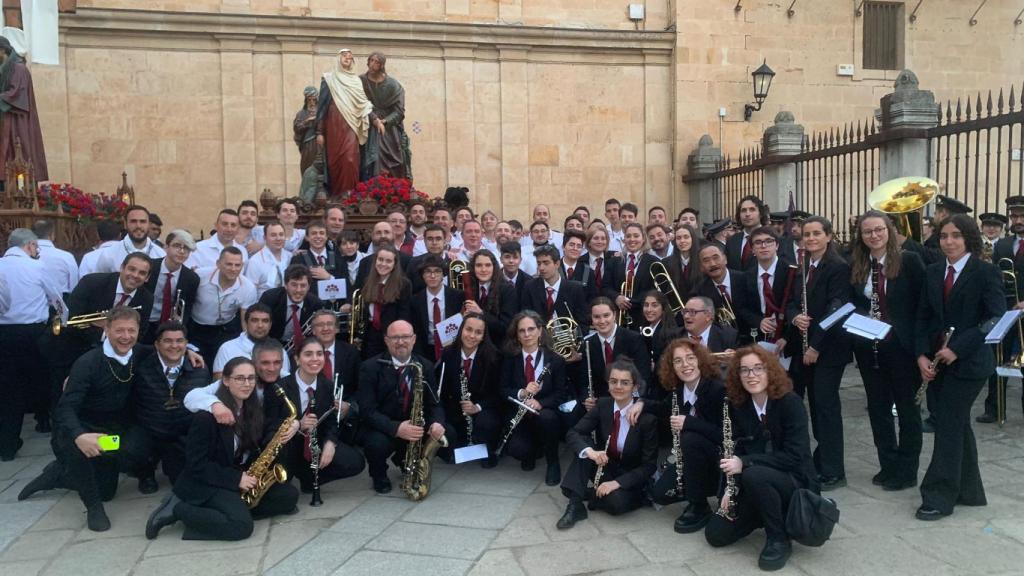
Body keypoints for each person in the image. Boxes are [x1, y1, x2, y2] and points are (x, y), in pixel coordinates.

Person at [19, 308, 155, 531]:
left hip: (109, 434)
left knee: (109, 488)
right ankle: (93, 507)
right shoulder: (87, 363)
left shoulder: (139, 353)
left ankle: (60, 475)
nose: (126, 336)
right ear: (107, 329)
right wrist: (79, 435)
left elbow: (166, 349)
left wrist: (189, 351)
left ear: (139, 331)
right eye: (119, 330)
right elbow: (65, 409)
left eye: (132, 330)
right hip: (80, 428)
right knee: (79, 453)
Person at [145, 357, 299, 541]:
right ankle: (178, 509)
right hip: (208, 481)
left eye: (251, 378)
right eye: (240, 378)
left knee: (289, 497)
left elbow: (269, 427)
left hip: (236, 475)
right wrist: (236, 479)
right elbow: (197, 465)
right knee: (241, 527)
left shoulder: (252, 408)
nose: (247, 384)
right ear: (225, 381)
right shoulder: (206, 417)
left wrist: (294, 424)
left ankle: (222, 513)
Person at [913, 214, 1003, 521]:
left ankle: (939, 495)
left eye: (956, 236)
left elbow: (994, 317)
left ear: (968, 238)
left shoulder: (985, 272)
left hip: (970, 363)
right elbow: (923, 317)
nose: (949, 242)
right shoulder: (934, 271)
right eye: (943, 236)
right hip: (938, 362)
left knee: (948, 424)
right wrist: (921, 356)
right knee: (957, 424)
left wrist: (957, 348)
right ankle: (970, 490)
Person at [704, 346, 820, 571]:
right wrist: (730, 488)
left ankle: (778, 537)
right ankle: (765, 512)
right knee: (716, 534)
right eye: (745, 370)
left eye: (758, 368)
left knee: (756, 474)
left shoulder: (790, 403)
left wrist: (745, 464)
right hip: (755, 481)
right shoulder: (739, 405)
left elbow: (794, 457)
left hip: (795, 482)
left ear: (771, 371)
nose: (751, 375)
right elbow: (738, 449)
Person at [849, 210, 925, 491]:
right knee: (878, 409)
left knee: (907, 410)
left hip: (902, 348)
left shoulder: (910, 261)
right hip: (870, 348)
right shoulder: (858, 264)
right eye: (867, 231)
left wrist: (919, 347)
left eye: (879, 229)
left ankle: (907, 470)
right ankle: (888, 464)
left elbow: (921, 306)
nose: (874, 235)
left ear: (889, 231)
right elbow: (854, 302)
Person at [787, 216, 852, 490]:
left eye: (816, 234)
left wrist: (815, 345)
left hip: (827, 349)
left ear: (828, 236)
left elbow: (836, 310)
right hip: (804, 347)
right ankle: (820, 458)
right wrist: (794, 318)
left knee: (825, 408)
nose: (811, 238)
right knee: (813, 405)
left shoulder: (837, 267)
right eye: (807, 234)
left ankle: (834, 470)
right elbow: (791, 302)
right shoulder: (804, 266)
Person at [557, 359, 657, 529]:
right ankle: (575, 506)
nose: (618, 386)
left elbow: (649, 467)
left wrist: (615, 484)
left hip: (631, 475)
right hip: (607, 465)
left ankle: (589, 494)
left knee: (616, 504)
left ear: (635, 387)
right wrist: (592, 453)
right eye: (613, 381)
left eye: (625, 383)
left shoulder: (647, 419)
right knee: (585, 444)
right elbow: (573, 433)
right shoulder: (603, 404)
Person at [265, 338, 365, 494]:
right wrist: (298, 424)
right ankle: (294, 474)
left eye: (319, 354)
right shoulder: (279, 387)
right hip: (288, 446)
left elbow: (332, 421)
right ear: (297, 359)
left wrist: (331, 443)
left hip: (313, 443)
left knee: (355, 462)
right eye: (308, 354)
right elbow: (269, 424)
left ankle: (310, 478)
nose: (315, 359)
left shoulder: (327, 386)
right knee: (284, 488)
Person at [646, 338, 726, 533]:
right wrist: (639, 403)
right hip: (693, 459)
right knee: (659, 494)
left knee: (689, 438)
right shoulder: (679, 391)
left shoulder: (717, 389)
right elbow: (662, 408)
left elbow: (725, 436)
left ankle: (698, 504)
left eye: (690, 358)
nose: (685, 365)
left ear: (700, 360)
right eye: (678, 361)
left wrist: (689, 423)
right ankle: (698, 488)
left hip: (720, 459)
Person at [357, 320, 446, 493]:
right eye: (395, 337)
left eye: (405, 337)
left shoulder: (425, 365)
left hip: (414, 422)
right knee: (376, 444)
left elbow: (434, 402)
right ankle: (379, 475)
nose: (400, 342)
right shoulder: (370, 367)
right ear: (386, 340)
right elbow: (367, 411)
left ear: (413, 339)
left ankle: (406, 459)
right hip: (384, 426)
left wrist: (437, 422)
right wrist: (396, 428)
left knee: (447, 431)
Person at [123, 321, 210, 494]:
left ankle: (172, 463)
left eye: (179, 341)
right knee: (126, 448)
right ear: (157, 344)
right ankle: (145, 472)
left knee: (182, 481)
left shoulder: (200, 369)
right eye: (168, 341)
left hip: (180, 433)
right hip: (150, 429)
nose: (174, 346)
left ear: (186, 344)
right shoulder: (140, 367)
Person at [0, 229, 62, 459]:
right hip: (34, 332)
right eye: (36, 247)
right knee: (42, 378)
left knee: (8, 388)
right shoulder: (37, 267)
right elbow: (56, 298)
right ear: (29, 245)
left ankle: (7, 444)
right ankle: (44, 421)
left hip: (3, 334)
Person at [501, 311, 568, 486]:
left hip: (545, 414)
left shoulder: (555, 360)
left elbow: (561, 394)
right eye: (522, 330)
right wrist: (522, 393)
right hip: (520, 414)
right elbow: (502, 389)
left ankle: (553, 461)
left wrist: (540, 403)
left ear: (540, 331)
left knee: (547, 418)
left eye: (531, 329)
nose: (527, 334)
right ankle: (531, 451)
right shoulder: (510, 359)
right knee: (517, 449)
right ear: (517, 334)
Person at [437, 313, 502, 466]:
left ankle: (487, 446)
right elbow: (443, 390)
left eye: (478, 332)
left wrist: (477, 407)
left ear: (484, 336)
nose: (472, 336)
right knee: (448, 439)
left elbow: (498, 393)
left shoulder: (493, 357)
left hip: (484, 408)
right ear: (461, 330)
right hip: (457, 407)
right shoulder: (448, 353)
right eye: (468, 330)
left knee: (486, 424)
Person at [317, 48, 372, 198]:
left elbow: (363, 103)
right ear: (338, 59)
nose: (348, 59)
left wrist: (375, 119)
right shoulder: (328, 79)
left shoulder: (356, 81)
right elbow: (321, 107)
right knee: (334, 160)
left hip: (352, 125)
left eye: (350, 57)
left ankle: (349, 195)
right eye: (344, 56)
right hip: (334, 124)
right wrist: (319, 132)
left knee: (350, 158)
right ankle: (336, 195)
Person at [190, 247, 258, 368]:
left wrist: (247, 347)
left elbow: (245, 321)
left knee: (223, 367)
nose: (233, 269)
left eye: (237, 265)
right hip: (196, 328)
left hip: (225, 330)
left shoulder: (248, 288)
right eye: (229, 264)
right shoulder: (199, 276)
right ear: (218, 264)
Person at [739, 226, 795, 349]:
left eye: (769, 241)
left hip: (786, 339)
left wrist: (786, 337)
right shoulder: (746, 276)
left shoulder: (791, 272)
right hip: (758, 338)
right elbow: (742, 308)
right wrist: (759, 321)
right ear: (752, 249)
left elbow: (796, 306)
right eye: (758, 242)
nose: (763, 246)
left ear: (777, 246)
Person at [0, 35, 47, 180]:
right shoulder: (5, 68)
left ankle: (19, 193)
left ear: (2, 50)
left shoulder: (19, 68)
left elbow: (15, 94)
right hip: (5, 119)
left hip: (15, 119)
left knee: (17, 153)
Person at [142, 230, 200, 343]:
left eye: (186, 248)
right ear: (166, 246)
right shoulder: (149, 267)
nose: (182, 251)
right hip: (144, 322)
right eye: (177, 246)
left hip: (169, 329)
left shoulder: (192, 278)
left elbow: (186, 309)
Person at [361, 51, 411, 179]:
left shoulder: (393, 85)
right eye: (371, 60)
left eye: (377, 62)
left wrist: (385, 121)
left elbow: (399, 111)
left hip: (389, 125)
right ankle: (371, 185)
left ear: (382, 65)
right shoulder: (360, 81)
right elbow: (358, 103)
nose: (372, 65)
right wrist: (374, 119)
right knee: (374, 154)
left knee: (397, 158)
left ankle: (392, 187)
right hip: (367, 121)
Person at [359, 245, 413, 359]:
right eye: (380, 259)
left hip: (393, 336)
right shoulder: (367, 281)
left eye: (388, 261)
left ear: (394, 264)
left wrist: (396, 337)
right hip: (370, 335)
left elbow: (404, 315)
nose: (383, 264)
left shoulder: (403, 285)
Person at [211, 303, 292, 379]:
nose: (260, 325)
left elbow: (284, 382)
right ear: (246, 323)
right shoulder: (227, 348)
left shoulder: (279, 351)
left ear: (270, 325)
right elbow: (219, 381)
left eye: (265, 321)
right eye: (255, 320)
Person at [410, 255, 464, 361]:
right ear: (422, 275)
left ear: (443, 274)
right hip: (425, 351)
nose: (433, 275)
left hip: (452, 349)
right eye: (428, 271)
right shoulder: (415, 301)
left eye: (437, 271)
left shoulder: (457, 296)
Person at [463, 249, 517, 349]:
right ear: (473, 268)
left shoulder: (507, 290)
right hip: (472, 347)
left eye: (488, 265)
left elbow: (506, 327)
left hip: (497, 348)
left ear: (494, 267)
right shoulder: (467, 288)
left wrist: (481, 313)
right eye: (479, 265)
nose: (483, 270)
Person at [258, 265, 324, 348]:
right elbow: (259, 328)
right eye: (294, 285)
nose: (298, 290)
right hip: (270, 345)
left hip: (300, 347)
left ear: (309, 287)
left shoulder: (316, 304)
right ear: (285, 285)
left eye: (303, 285)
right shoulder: (270, 298)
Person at [522, 244, 588, 326]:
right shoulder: (530, 287)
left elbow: (582, 322)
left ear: (557, 264)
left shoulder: (575, 288)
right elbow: (526, 320)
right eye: (539, 263)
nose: (541, 268)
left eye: (546, 263)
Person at [696, 242, 750, 341]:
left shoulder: (745, 279)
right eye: (706, 261)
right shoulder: (700, 291)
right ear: (701, 267)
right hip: (723, 341)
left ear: (725, 259)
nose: (712, 264)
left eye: (716, 258)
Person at [95, 206, 166, 272]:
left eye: (143, 221)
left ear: (148, 225)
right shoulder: (108, 255)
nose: (138, 226)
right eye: (133, 221)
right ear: (125, 224)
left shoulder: (161, 255)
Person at [246, 221, 294, 297]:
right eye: (273, 235)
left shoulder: (290, 257)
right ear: (264, 238)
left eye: (281, 235)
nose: (278, 238)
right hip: (264, 305)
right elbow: (250, 292)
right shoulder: (255, 261)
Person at [31, 219, 79, 295]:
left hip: (32, 302)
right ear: (52, 235)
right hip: (61, 303)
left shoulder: (24, 256)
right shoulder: (66, 257)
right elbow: (74, 287)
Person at [661, 223, 702, 305]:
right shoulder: (665, 263)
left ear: (693, 239)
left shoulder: (702, 261)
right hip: (676, 313)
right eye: (678, 238)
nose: (682, 241)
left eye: (686, 237)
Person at [726, 195, 769, 271]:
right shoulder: (732, 241)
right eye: (743, 210)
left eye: (752, 210)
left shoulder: (772, 238)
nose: (747, 214)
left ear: (761, 214)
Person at [584, 226, 621, 301]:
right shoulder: (581, 261)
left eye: (603, 238)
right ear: (588, 242)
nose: (600, 241)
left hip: (611, 304)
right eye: (596, 238)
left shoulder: (615, 258)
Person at [295, 86, 319, 176]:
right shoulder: (301, 114)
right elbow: (297, 128)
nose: (312, 103)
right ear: (306, 100)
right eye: (309, 100)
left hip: (320, 145)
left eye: (314, 100)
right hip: (308, 145)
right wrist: (307, 121)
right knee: (307, 168)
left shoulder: (321, 112)